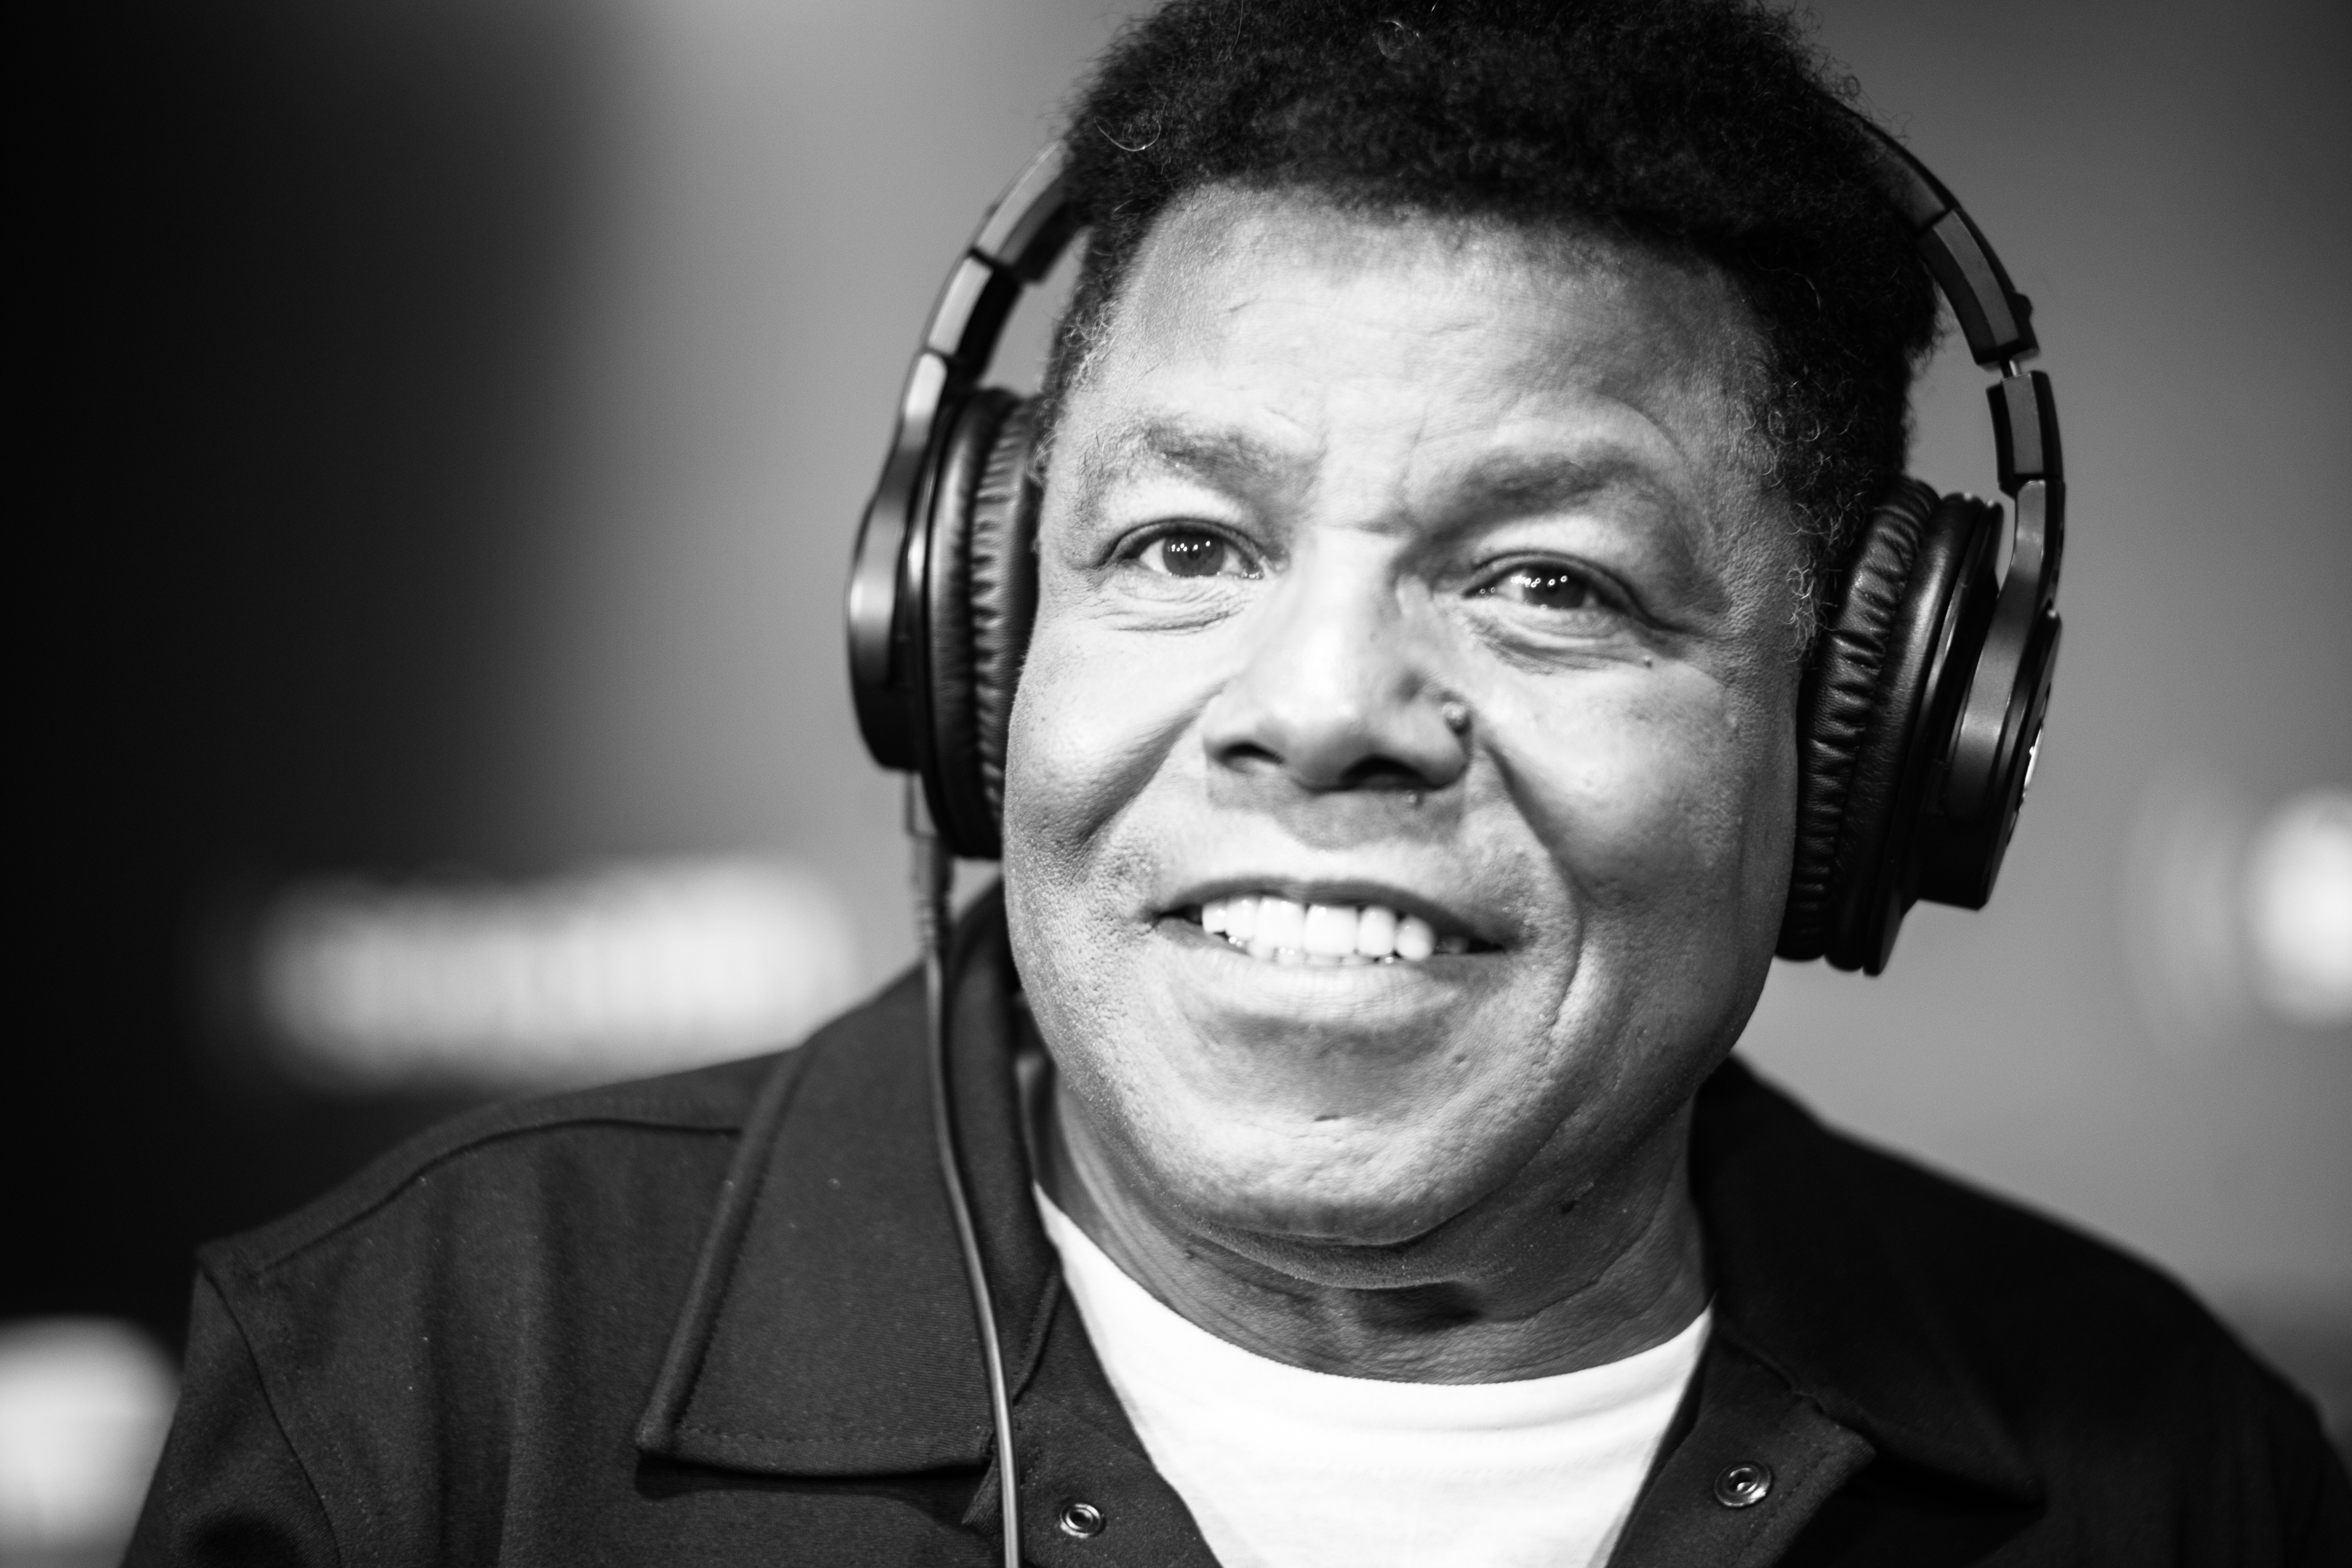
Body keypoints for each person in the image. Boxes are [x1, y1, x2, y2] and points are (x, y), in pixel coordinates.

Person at [131, 1, 2349, 1564]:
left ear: (1869, 737)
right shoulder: (423, 1380)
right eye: (1187, 546)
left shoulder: (2171, 1474)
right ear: (977, 626)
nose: (1321, 708)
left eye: (1551, 582)